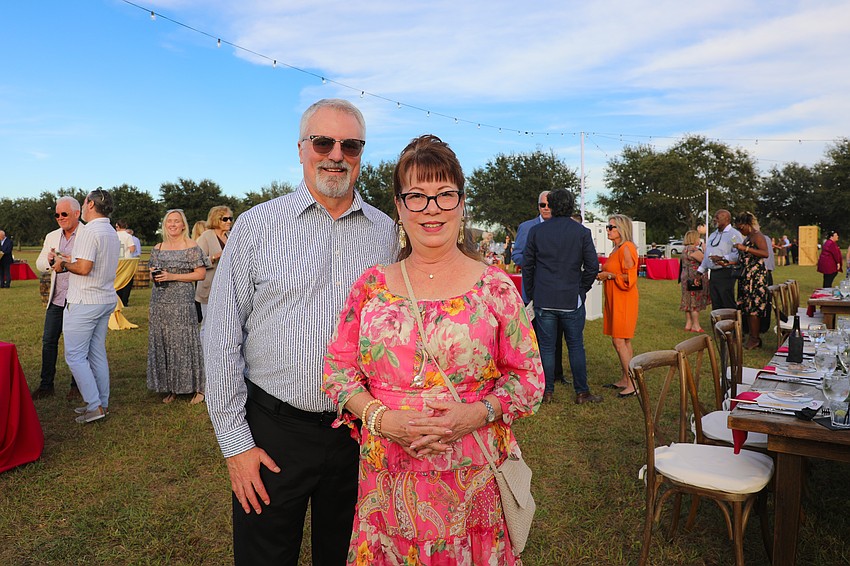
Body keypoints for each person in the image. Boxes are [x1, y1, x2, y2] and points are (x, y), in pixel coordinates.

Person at [323, 134, 543, 564]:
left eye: (445, 195)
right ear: (399, 207)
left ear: (461, 204)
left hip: (472, 480)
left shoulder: (495, 287)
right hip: (386, 481)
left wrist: (474, 414)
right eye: (418, 197)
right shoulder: (372, 286)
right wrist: (382, 418)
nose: (432, 209)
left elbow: (529, 380)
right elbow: (337, 371)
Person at [204, 98, 397, 565]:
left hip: (357, 433)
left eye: (349, 145)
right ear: (301, 149)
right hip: (273, 431)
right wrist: (236, 445)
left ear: (361, 152)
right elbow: (220, 338)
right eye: (323, 142)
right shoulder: (257, 226)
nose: (336, 154)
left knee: (348, 557)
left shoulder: (387, 233)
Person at [524, 188, 602, 405]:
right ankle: (581, 392)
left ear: (552, 205)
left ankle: (547, 391)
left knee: (546, 347)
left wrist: (532, 293)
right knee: (576, 346)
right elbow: (593, 267)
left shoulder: (537, 232)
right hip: (570, 298)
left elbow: (528, 266)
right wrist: (581, 289)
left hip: (545, 298)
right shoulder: (581, 232)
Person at [54, 188, 120, 424]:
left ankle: (95, 405)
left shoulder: (89, 231)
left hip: (84, 301)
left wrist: (62, 264)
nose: (83, 206)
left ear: (91, 204)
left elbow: (83, 268)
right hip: (104, 298)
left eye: (84, 202)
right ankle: (101, 402)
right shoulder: (111, 231)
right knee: (96, 352)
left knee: (75, 356)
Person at [147, 209, 207, 404]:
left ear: (183, 225)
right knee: (164, 342)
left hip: (182, 302)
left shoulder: (191, 246)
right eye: (169, 221)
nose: (172, 224)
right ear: (165, 225)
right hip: (159, 301)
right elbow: (151, 273)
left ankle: (199, 388)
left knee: (184, 342)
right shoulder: (158, 247)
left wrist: (173, 276)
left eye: (176, 221)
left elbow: (200, 274)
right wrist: (155, 274)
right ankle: (172, 387)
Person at [513, 191, 569, 385]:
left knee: (558, 333)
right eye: (541, 205)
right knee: (537, 336)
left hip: (560, 290)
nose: (545, 208)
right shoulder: (527, 228)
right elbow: (517, 255)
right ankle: (540, 375)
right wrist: (536, 262)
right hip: (536, 290)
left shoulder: (562, 227)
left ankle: (557, 373)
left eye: (548, 205)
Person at [32, 196, 83, 400]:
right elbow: (39, 264)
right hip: (57, 298)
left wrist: (70, 261)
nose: (60, 218)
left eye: (64, 214)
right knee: (49, 341)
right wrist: (49, 260)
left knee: (76, 344)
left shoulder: (87, 234)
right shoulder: (52, 236)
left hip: (78, 299)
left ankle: (77, 385)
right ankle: (46, 385)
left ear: (77, 213)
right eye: (57, 214)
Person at [597, 215, 640, 397]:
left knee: (619, 340)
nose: (607, 229)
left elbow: (630, 277)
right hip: (615, 297)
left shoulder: (627, 248)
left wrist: (609, 276)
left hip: (624, 298)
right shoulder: (617, 248)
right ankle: (626, 377)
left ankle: (633, 383)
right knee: (623, 340)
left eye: (611, 227)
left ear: (621, 229)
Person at [732, 212, 771, 350]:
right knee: (747, 308)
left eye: (741, 227)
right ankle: (752, 336)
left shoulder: (757, 236)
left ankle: (755, 338)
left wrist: (746, 248)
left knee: (754, 308)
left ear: (748, 224)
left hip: (755, 277)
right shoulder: (748, 236)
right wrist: (727, 262)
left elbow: (765, 253)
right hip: (746, 276)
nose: (740, 231)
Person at [195, 206, 233, 340]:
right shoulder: (206, 236)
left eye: (230, 219)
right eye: (225, 219)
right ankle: (204, 355)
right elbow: (196, 260)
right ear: (217, 219)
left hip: (227, 288)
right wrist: (214, 257)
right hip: (209, 287)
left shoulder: (230, 236)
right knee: (207, 323)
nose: (229, 222)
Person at [697, 209, 743, 310]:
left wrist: (722, 258)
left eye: (717, 218)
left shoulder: (734, 234)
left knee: (726, 300)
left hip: (726, 272)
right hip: (713, 273)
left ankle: (730, 324)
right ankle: (718, 325)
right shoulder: (713, 235)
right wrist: (700, 271)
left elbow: (738, 254)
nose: (714, 220)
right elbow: (707, 255)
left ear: (726, 219)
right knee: (715, 301)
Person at [679, 230, 709, 334]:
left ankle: (688, 323)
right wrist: (705, 249)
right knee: (695, 301)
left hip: (685, 277)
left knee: (687, 301)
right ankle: (696, 325)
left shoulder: (684, 250)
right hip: (695, 278)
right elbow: (706, 261)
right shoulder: (694, 250)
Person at [115, 220, 136, 306]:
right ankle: (124, 301)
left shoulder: (114, 235)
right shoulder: (128, 236)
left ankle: (117, 300)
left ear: (118, 227)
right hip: (127, 261)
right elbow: (132, 249)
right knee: (127, 281)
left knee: (117, 279)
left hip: (116, 260)